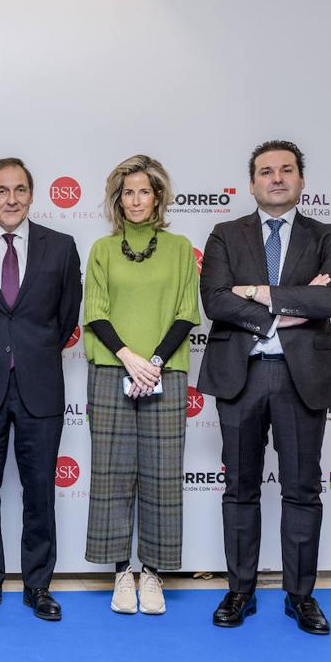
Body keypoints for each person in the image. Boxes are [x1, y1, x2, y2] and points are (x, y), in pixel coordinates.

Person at [199, 140, 331, 635]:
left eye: (287, 170)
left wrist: (260, 293)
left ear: (302, 180)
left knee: (303, 490)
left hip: (301, 378)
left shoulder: (328, 233)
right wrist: (288, 310)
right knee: (240, 489)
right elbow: (217, 301)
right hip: (240, 376)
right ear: (252, 183)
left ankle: (300, 596)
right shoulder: (224, 234)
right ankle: (240, 589)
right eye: (267, 171)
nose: (277, 178)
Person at [0, 158, 81, 622]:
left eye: (20, 189)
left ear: (32, 194)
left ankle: (38, 585)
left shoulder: (61, 247)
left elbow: (65, 321)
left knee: (39, 491)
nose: (11, 199)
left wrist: (30, 350)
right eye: (1, 190)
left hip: (39, 387)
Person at [81, 155, 200, 616]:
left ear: (157, 198)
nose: (135, 200)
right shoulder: (102, 250)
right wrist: (130, 358)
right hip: (113, 371)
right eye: (128, 192)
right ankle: (120, 574)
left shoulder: (180, 248)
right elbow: (95, 311)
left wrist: (152, 362)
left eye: (144, 192)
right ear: (118, 199)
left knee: (163, 476)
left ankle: (152, 574)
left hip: (164, 373)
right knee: (111, 474)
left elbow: (187, 312)